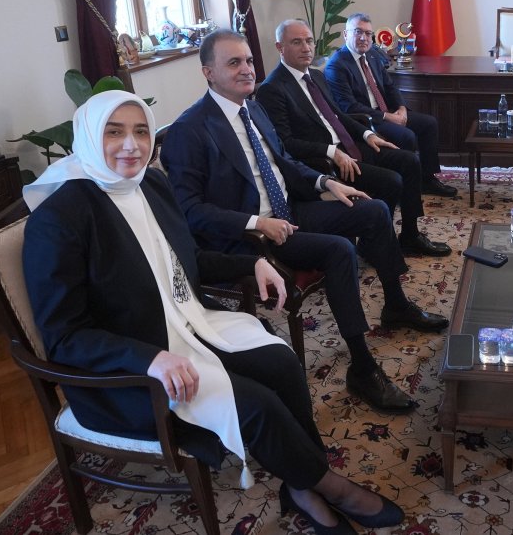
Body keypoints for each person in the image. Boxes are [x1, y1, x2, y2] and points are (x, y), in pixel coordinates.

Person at [23, 91, 406, 533]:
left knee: (281, 361)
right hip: (128, 371)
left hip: (184, 324)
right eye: (114, 132)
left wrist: (253, 262)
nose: (131, 145)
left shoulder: (151, 184)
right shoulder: (59, 218)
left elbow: (186, 258)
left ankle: (301, 482)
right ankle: (325, 486)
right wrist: (152, 359)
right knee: (256, 405)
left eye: (141, 131)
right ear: (89, 137)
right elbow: (65, 336)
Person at [161, 30, 449, 416]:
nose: (247, 69)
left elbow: (284, 164)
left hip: (290, 210)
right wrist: (257, 223)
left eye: (248, 60)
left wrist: (325, 181)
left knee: (375, 208)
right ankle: (362, 368)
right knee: (340, 250)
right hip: (251, 236)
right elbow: (189, 209)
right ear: (208, 72)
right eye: (234, 63)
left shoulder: (253, 107)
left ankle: (395, 304)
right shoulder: (189, 130)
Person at [258, 19, 451, 257]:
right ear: (280, 47)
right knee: (391, 181)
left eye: (309, 41)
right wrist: (331, 152)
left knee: (409, 162)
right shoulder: (272, 88)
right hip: (324, 160)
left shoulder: (316, 76)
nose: (306, 48)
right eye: (296, 42)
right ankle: (374, 242)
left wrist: (368, 134)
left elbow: (338, 115)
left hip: (349, 145)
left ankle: (409, 235)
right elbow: (285, 143)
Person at [325, 13, 457, 198]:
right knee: (407, 136)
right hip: (367, 120)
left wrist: (401, 108)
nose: (364, 38)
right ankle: (403, 186)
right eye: (358, 32)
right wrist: (388, 117)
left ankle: (427, 180)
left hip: (386, 111)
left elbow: (390, 86)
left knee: (429, 123)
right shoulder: (337, 65)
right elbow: (349, 107)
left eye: (368, 33)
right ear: (346, 35)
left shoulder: (371, 55)